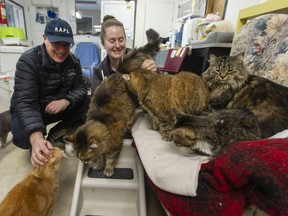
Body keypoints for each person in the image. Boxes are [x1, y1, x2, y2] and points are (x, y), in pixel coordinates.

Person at [10, 18, 90, 167]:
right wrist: (36, 138)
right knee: (23, 138)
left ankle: (56, 134)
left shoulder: (74, 61)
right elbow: (26, 103)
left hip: (57, 105)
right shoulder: (28, 61)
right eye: (56, 44)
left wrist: (66, 100)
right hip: (34, 108)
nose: (61, 50)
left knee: (88, 102)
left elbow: (81, 88)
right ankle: (40, 139)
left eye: (66, 45)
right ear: (45, 39)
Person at [92, 15, 157, 93]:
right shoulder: (99, 72)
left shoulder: (140, 60)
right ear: (103, 44)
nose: (118, 45)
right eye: (112, 41)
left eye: (121, 40)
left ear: (125, 40)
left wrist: (152, 73)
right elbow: (95, 101)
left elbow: (156, 91)